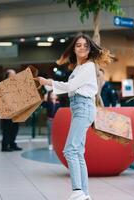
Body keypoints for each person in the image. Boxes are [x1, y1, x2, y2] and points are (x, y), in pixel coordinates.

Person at [36, 33, 113, 200]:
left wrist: (48, 82)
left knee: (70, 150)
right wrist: (48, 84)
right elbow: (71, 87)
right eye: (78, 45)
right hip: (80, 107)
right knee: (77, 152)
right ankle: (84, 194)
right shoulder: (79, 67)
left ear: (90, 48)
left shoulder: (88, 66)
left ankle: (77, 190)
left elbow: (71, 86)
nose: (82, 47)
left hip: (83, 106)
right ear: (74, 48)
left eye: (85, 45)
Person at [1, 69, 22, 152]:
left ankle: (12, 144)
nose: (15, 76)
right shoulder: (3, 86)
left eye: (15, 74)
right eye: (13, 74)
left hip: (16, 111)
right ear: (7, 76)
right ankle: (5, 146)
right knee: (6, 129)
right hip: (7, 112)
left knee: (15, 128)